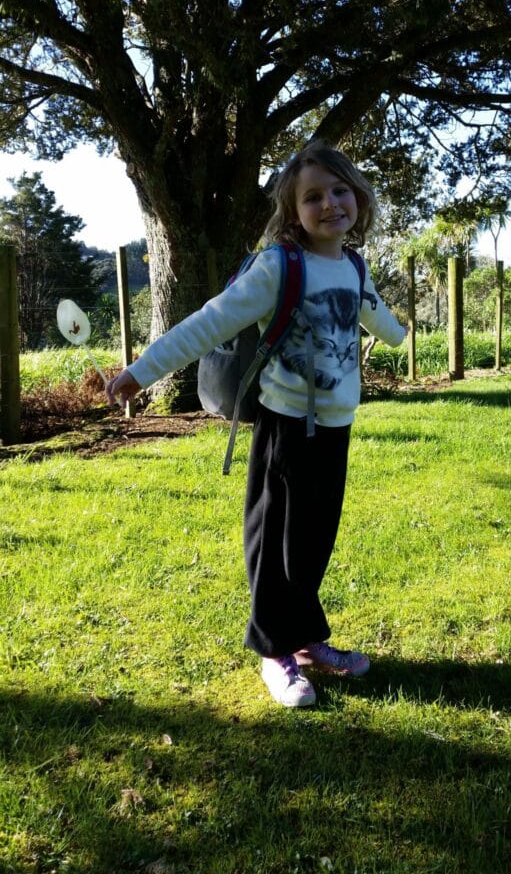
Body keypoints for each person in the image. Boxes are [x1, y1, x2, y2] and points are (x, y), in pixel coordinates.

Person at [106, 142, 407, 708]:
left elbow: (373, 312)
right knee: (275, 543)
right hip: (285, 427)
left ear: (358, 200)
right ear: (293, 212)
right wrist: (141, 372)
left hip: (336, 427)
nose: (329, 204)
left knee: (314, 541)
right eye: (312, 197)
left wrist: (398, 334)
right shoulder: (278, 266)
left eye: (339, 191)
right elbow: (207, 322)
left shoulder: (353, 265)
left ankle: (307, 637)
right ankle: (275, 653)